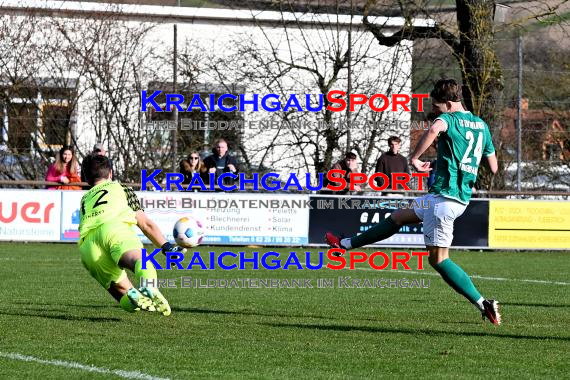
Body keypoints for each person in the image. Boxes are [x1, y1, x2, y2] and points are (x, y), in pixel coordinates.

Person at [325, 79, 501, 325]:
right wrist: (466, 161)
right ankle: (344, 245)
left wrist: (415, 158)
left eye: (438, 107)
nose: (436, 112)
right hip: (452, 197)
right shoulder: (481, 125)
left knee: (438, 260)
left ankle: (483, 303)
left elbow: (433, 130)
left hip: (444, 200)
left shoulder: (448, 120)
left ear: (449, 104)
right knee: (397, 217)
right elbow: (493, 167)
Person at [78, 154, 186, 315]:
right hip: (113, 229)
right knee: (140, 261)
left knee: (122, 292)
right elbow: (145, 224)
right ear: (110, 173)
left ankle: (132, 296)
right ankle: (149, 285)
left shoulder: (85, 199)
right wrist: (167, 247)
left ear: (86, 178)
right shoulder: (121, 188)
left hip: (87, 246)